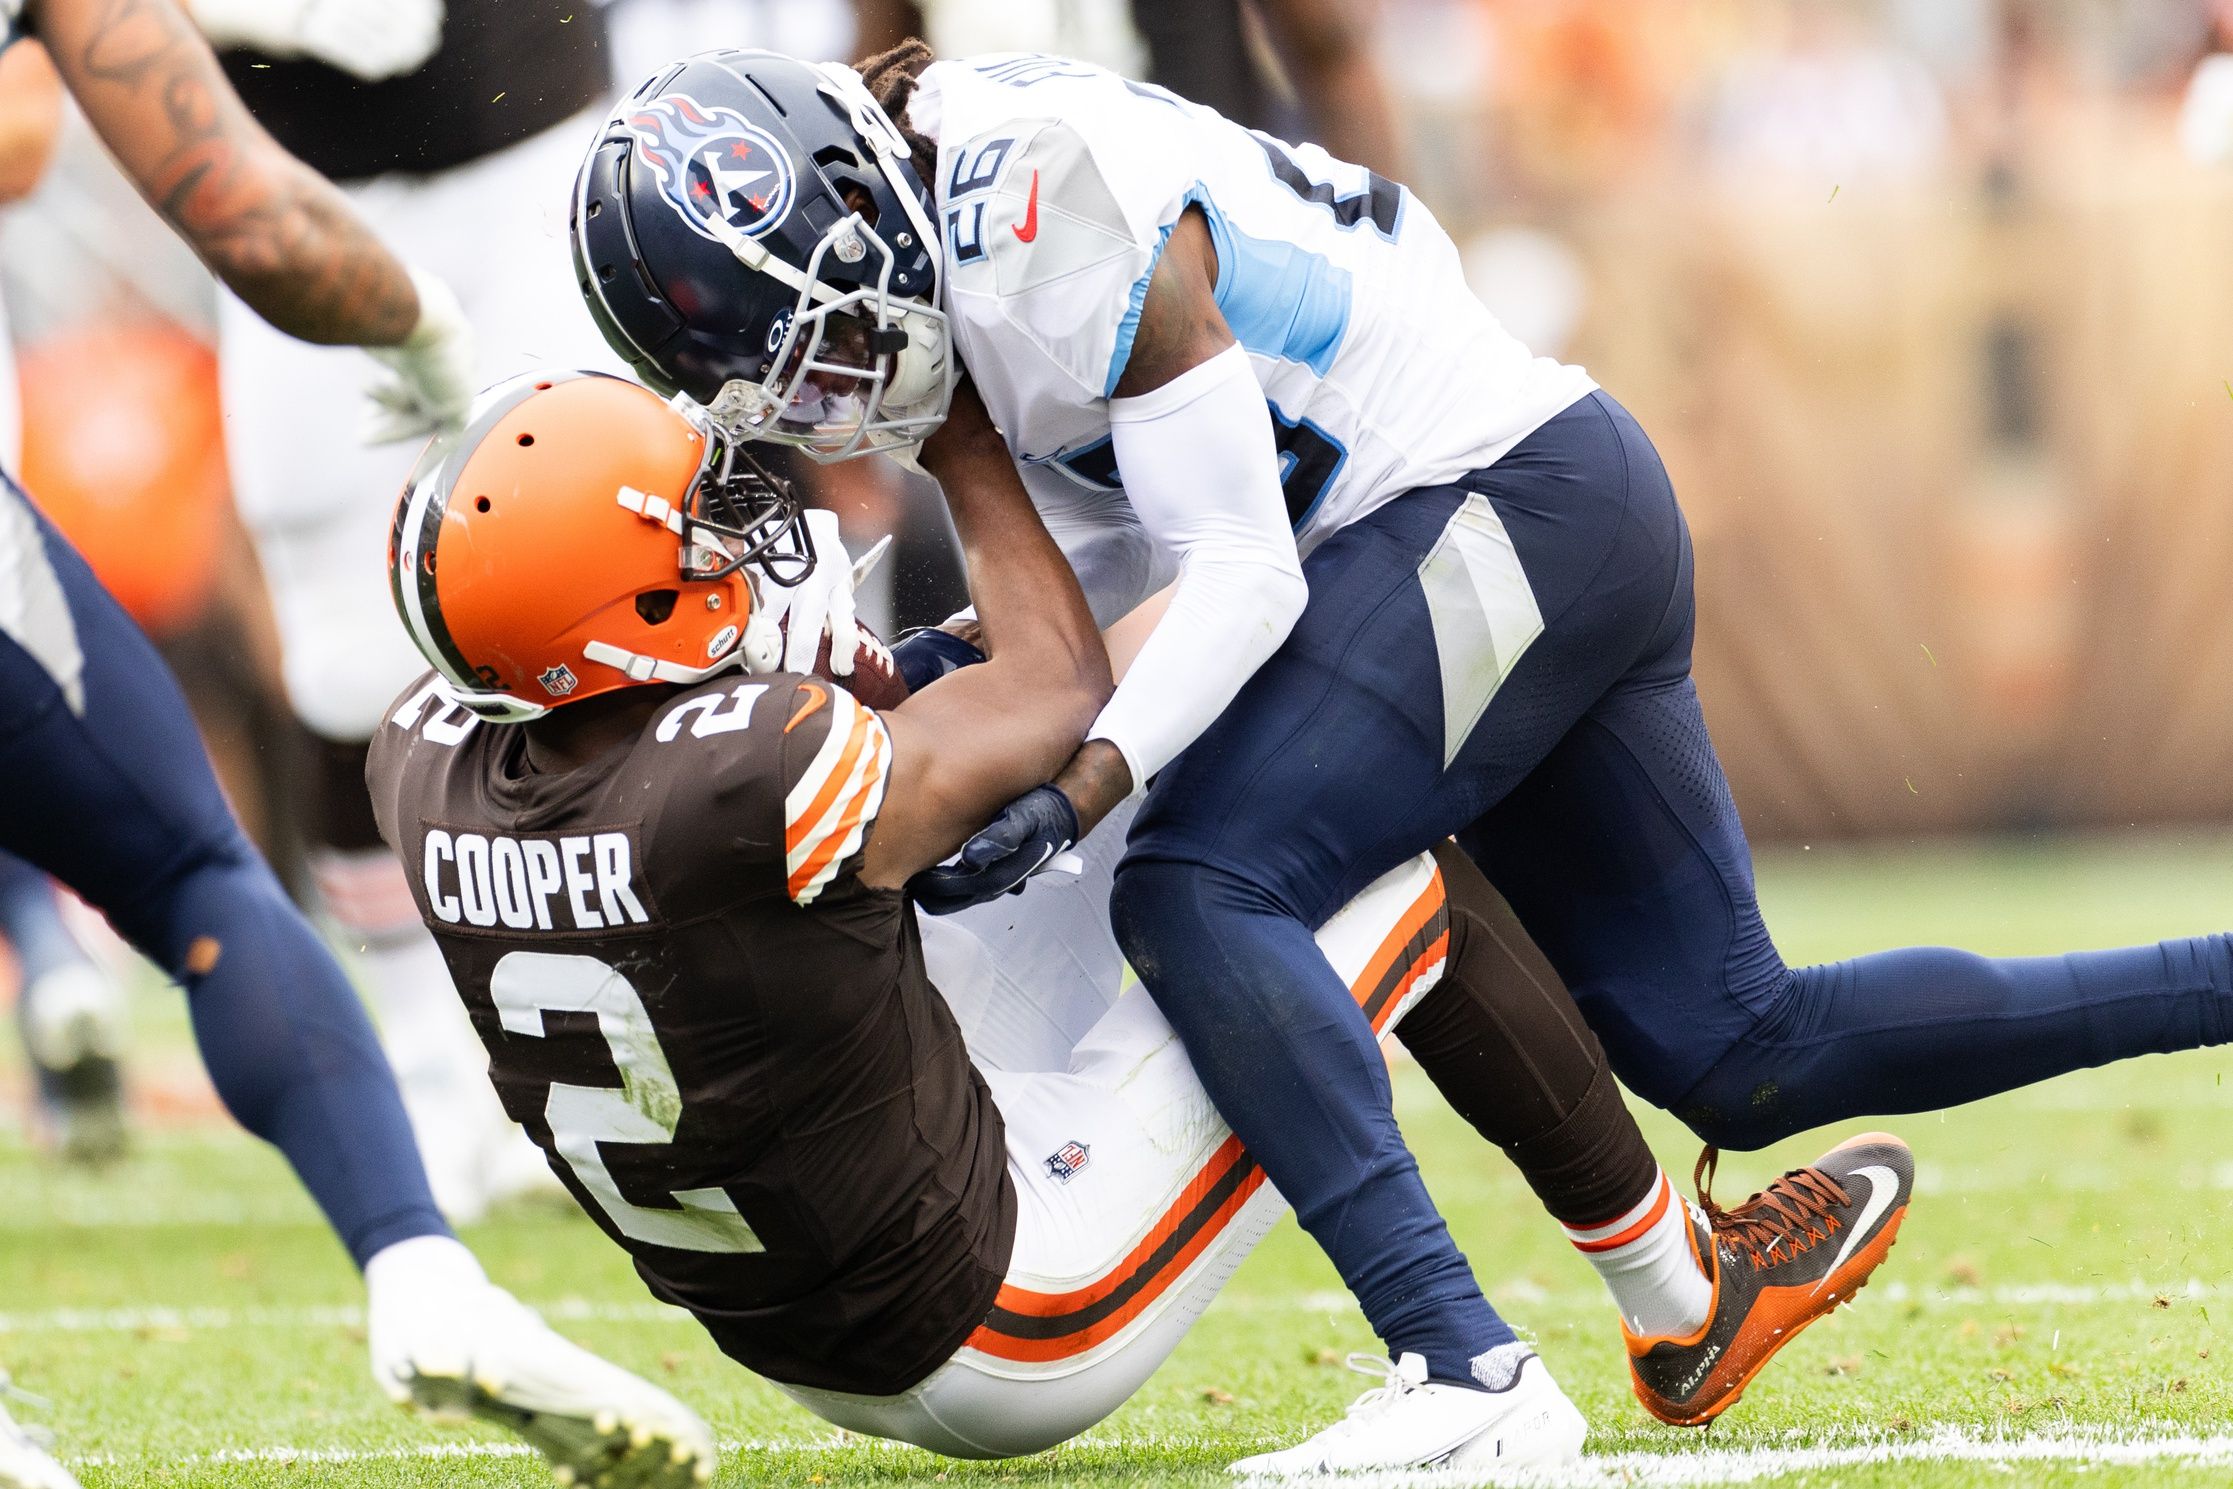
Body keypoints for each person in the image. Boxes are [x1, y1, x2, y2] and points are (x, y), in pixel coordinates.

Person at [575, 38, 2233, 1471]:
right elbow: (1110, 594)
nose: (845, 392)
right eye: (795, 382)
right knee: (1739, 1048)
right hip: (1450, 524)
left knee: (1204, 881)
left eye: (832, 339)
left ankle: (1460, 1368)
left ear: (848, 200)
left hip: (1502, 503)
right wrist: (938, 688)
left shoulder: (1036, 214)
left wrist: (1080, 784)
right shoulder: (944, 240)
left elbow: (1233, 571)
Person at [367, 369, 1914, 1474]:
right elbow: (1054, 690)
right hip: (1008, 1310)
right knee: (1364, 868)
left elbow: (925, 720)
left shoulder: (429, 763)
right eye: (700, 539)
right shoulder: (755, 776)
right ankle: (1532, 1350)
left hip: (807, 1307)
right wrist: (959, 426)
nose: (742, 545)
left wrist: (1258, 574)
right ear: (627, 616)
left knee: (1145, 824)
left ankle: (1663, 1302)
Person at [0, 2, 711, 1485]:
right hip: (340, 212)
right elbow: (247, 223)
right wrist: (432, 339)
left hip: (510, 152)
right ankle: (419, 1260)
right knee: (198, 860)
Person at [188, 0, 630, 1221]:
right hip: (286, 181)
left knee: (589, 598)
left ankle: (607, 1052)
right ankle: (431, 1072)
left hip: (523, 141)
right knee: (338, 664)